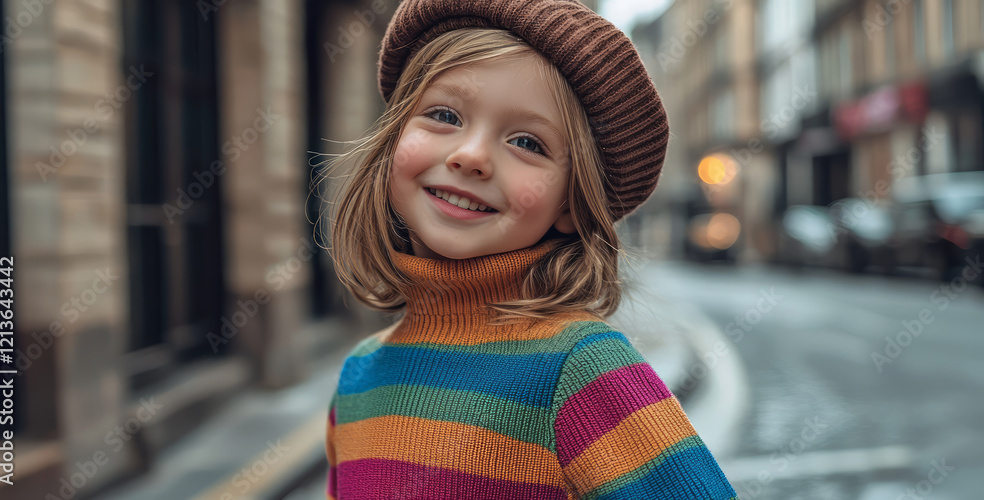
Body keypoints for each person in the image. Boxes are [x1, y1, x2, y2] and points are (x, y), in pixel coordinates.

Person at [316, 0, 739, 498]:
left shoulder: (582, 370)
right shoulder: (358, 378)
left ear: (570, 203)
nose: (471, 156)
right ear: (393, 140)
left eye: (527, 143)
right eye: (444, 115)